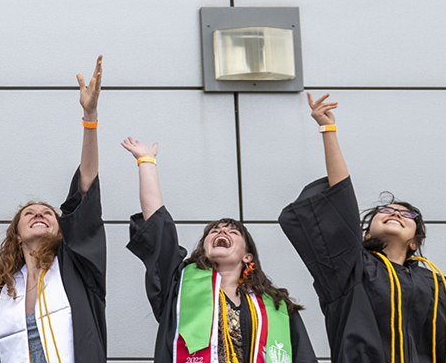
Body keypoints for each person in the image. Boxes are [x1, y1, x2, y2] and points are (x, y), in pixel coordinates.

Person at [277, 93, 446, 363]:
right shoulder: (350, 269)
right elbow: (340, 197)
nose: (394, 213)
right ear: (366, 234)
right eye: (385, 211)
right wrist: (328, 129)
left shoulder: (435, 284)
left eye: (407, 214)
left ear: (415, 242)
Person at [0, 56, 110, 363]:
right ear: (16, 236)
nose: (39, 214)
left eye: (47, 213)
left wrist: (90, 117)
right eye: (28, 214)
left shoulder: (77, 269)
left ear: (61, 230)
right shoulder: (0, 294)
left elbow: (85, 190)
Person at [122, 137, 315, 363]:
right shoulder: (179, 286)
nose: (221, 232)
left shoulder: (276, 306)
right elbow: (159, 229)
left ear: (247, 256)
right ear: (204, 248)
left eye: (233, 232)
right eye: (213, 231)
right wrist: (146, 162)